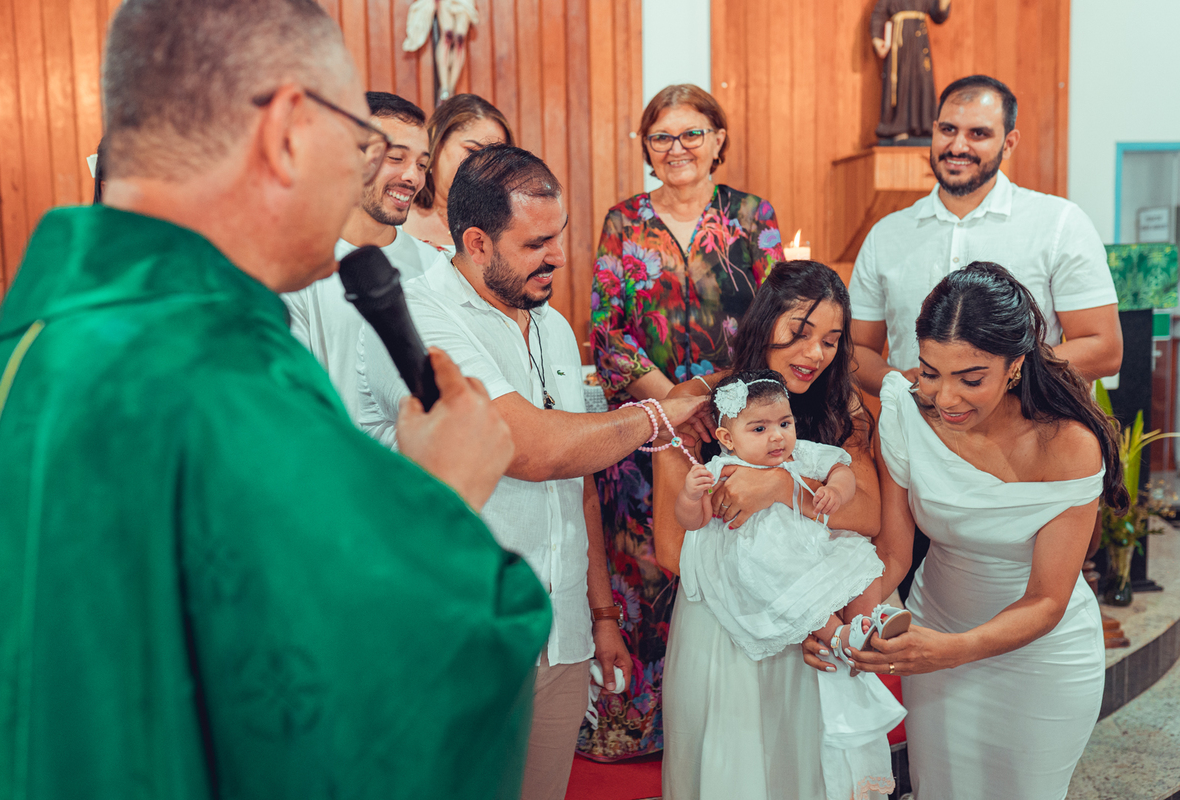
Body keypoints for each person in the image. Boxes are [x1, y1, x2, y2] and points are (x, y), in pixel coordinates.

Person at [0, 2, 551, 799]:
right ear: (286, 131)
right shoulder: (219, 375)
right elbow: (367, 683)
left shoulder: (33, 340)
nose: (359, 175)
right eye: (358, 143)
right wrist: (441, 498)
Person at [357, 143, 711, 800]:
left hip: (561, 630)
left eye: (560, 236)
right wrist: (657, 416)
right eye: (536, 243)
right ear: (476, 243)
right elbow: (532, 449)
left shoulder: (550, 325)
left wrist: (600, 614)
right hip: (466, 634)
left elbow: (575, 478)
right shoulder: (415, 318)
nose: (558, 257)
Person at [836, 262, 1127, 799]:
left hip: (1043, 659)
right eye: (930, 372)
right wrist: (845, 627)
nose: (946, 398)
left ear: (1015, 365)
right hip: (935, 635)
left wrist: (953, 649)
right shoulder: (905, 411)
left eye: (971, 379)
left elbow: (1047, 599)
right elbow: (894, 553)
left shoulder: (1068, 444)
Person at [850, 74, 1122, 600]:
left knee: (1034, 599)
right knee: (921, 591)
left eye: (978, 133)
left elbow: (1103, 346)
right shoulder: (887, 234)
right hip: (920, 461)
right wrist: (910, 382)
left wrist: (1000, 376)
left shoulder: (1058, 223)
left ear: (1008, 141)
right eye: (947, 130)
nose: (958, 145)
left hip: (1024, 461)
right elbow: (857, 350)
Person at [585, 83, 786, 760]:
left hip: (735, 427)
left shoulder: (752, 216)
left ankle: (722, 726)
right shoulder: (623, 220)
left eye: (692, 133)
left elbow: (774, 321)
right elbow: (608, 334)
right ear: (646, 146)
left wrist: (712, 404)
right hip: (645, 431)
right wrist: (675, 406)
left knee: (725, 564)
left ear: (718, 140)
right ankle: (640, 725)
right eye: (662, 136)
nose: (678, 148)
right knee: (645, 569)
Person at [653, 260, 883, 799]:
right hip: (728, 626)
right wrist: (780, 605)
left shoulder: (838, 405)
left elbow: (869, 514)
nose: (815, 354)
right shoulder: (699, 402)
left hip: (814, 624)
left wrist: (782, 488)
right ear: (764, 322)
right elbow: (670, 547)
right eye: (800, 332)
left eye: (831, 340)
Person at [675, 368, 904, 800]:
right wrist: (690, 495)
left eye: (785, 423)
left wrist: (838, 489)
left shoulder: (801, 455)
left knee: (860, 558)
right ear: (727, 438)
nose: (777, 436)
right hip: (763, 562)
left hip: (809, 547)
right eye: (759, 429)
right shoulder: (720, 468)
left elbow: (840, 466)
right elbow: (694, 521)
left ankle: (866, 624)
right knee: (790, 588)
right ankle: (838, 636)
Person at [282, 91, 441, 423]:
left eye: (422, 165)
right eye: (396, 158)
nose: (413, 177)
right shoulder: (299, 269)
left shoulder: (437, 266)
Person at [402, 92, 515, 251]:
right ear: (437, 143)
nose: (484, 167)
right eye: (472, 151)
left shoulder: (504, 225)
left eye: (494, 159)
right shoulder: (396, 217)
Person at [870, 0, 951, 142]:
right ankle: (897, 127)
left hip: (920, 39)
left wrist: (943, 4)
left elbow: (938, 15)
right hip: (900, 41)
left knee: (923, 80)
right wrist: (877, 39)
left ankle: (924, 126)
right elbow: (879, 13)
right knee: (901, 81)